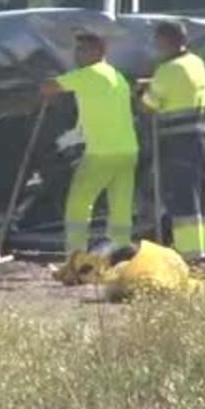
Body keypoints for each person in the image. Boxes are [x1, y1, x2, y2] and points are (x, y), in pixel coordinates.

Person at [39, 32, 139, 254]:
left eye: (82, 49)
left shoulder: (89, 75)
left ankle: (76, 254)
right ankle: (119, 251)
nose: (77, 55)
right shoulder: (117, 76)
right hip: (127, 150)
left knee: (79, 203)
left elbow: (48, 88)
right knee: (120, 206)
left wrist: (42, 76)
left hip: (101, 151)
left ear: (98, 52)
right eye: (77, 49)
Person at [141, 20, 205, 262]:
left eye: (158, 40)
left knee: (183, 198)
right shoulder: (197, 63)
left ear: (167, 41)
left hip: (179, 142)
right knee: (201, 197)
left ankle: (189, 254)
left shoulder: (168, 70)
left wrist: (141, 93)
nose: (156, 45)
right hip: (202, 138)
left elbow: (148, 105)